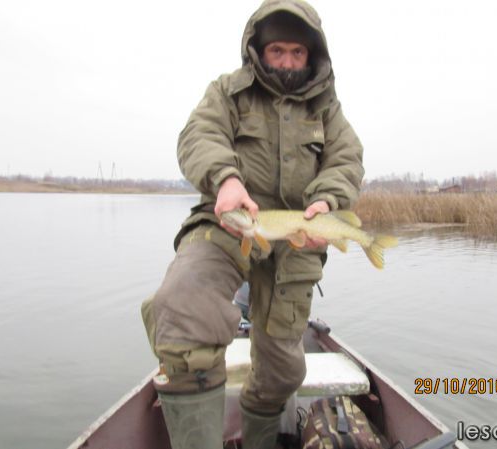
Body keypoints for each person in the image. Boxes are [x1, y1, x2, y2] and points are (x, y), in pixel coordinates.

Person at [141, 1, 364, 448]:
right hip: (227, 223)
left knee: (283, 372)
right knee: (181, 308)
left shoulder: (327, 109)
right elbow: (198, 136)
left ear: (312, 55)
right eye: (277, 50)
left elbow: (346, 161)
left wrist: (326, 201)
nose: (287, 61)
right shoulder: (227, 92)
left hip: (294, 240)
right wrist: (226, 179)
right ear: (259, 50)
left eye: (297, 52)